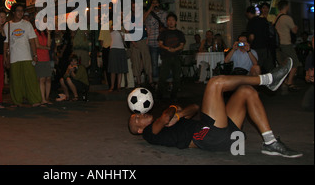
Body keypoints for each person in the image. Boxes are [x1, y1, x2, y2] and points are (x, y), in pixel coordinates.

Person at [129, 57, 303, 158]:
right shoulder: (149, 133)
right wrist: (173, 109)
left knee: (246, 91)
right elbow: (167, 116)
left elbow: (195, 107)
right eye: (137, 120)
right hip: (203, 137)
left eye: (137, 115)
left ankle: (270, 142)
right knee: (215, 83)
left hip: (216, 134)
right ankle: (268, 80)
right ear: (139, 131)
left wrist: (179, 115)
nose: (139, 116)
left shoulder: (164, 126)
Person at [3, 3, 42, 107]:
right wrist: (5, 57)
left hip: (26, 56)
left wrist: (35, 55)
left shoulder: (27, 24)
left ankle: (35, 100)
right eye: (18, 11)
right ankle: (17, 101)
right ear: (13, 12)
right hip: (14, 57)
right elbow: (6, 43)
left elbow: (32, 41)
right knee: (16, 80)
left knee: (31, 79)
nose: (20, 13)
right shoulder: (8, 25)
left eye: (22, 11)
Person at [157, 12, 186, 101]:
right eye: (169, 20)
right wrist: (168, 48)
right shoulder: (163, 33)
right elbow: (160, 44)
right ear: (167, 22)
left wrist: (175, 49)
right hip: (166, 57)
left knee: (177, 78)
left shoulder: (179, 33)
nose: (171, 22)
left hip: (177, 57)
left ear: (176, 22)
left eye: (172, 20)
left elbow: (182, 45)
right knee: (162, 77)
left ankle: (174, 95)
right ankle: (159, 96)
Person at [274, 0, 300, 92]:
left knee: (283, 65)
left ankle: (284, 82)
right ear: (286, 6)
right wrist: (296, 27)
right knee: (295, 63)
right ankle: (289, 82)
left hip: (278, 46)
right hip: (286, 44)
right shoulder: (287, 18)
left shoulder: (276, 18)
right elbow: (294, 31)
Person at [129, 1, 152, 87]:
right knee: (136, 61)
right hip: (134, 40)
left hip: (143, 40)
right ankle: (138, 81)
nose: (134, 8)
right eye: (133, 7)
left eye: (136, 7)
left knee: (147, 59)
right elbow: (128, 31)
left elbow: (146, 25)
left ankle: (150, 79)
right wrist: (132, 42)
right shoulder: (130, 18)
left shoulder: (141, 16)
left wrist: (147, 38)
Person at [246, 6, 274, 73]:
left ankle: (258, 82)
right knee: (269, 68)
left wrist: (249, 42)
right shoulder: (263, 20)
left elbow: (251, 37)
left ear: (249, 13)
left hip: (257, 48)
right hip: (267, 47)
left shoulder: (251, 22)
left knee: (257, 67)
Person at [35, 23, 53, 105]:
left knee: (48, 78)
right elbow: (37, 45)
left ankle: (47, 97)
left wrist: (49, 33)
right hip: (40, 58)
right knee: (42, 79)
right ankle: (42, 98)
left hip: (47, 58)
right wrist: (46, 48)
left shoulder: (44, 33)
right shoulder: (35, 32)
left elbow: (49, 45)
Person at [108, 22, 128, 91]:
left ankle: (119, 86)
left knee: (120, 69)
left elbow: (125, 37)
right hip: (113, 48)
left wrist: (124, 31)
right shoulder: (112, 27)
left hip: (121, 48)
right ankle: (112, 86)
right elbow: (111, 29)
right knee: (113, 69)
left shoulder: (123, 28)